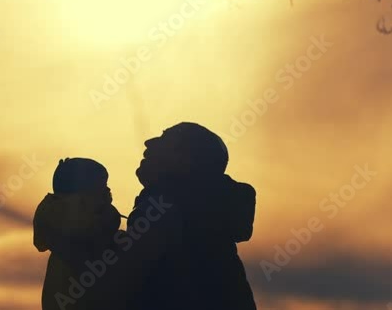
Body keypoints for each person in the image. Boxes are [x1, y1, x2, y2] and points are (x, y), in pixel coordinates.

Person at [95, 122, 258, 309]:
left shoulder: (162, 211)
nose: (149, 143)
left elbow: (115, 285)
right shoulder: (205, 220)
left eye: (166, 139)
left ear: (186, 161)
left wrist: (80, 242)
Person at [32, 158, 123, 310]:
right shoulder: (73, 214)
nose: (107, 191)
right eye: (102, 186)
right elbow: (89, 229)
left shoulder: (61, 213)